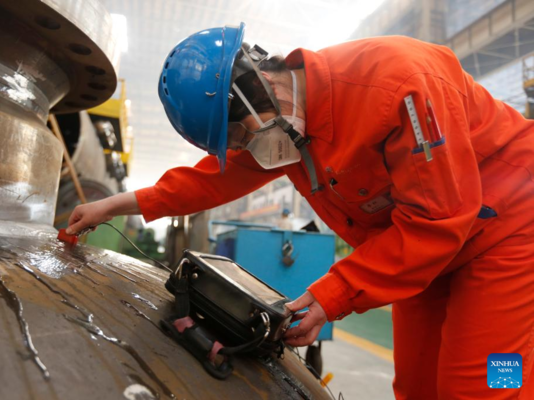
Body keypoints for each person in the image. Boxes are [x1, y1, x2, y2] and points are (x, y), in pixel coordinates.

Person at [67, 23, 534, 399]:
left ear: (255, 86)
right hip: (417, 254)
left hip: (507, 230)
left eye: (238, 137)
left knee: (486, 386)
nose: (247, 150)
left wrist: (334, 294)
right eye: (233, 146)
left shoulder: (400, 85)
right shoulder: (283, 128)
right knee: (417, 388)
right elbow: (207, 180)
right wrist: (115, 204)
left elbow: (438, 218)